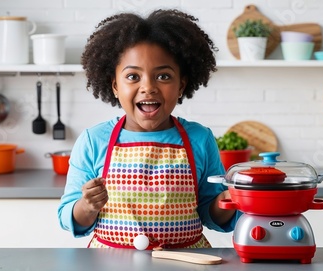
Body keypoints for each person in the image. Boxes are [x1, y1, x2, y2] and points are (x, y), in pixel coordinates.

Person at [58, 9, 238, 249]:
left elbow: (211, 215)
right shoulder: (94, 140)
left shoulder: (199, 138)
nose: (148, 88)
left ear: (181, 85)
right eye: (133, 76)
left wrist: (228, 200)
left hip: (186, 261)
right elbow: (68, 217)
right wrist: (87, 206)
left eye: (163, 76)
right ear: (114, 86)